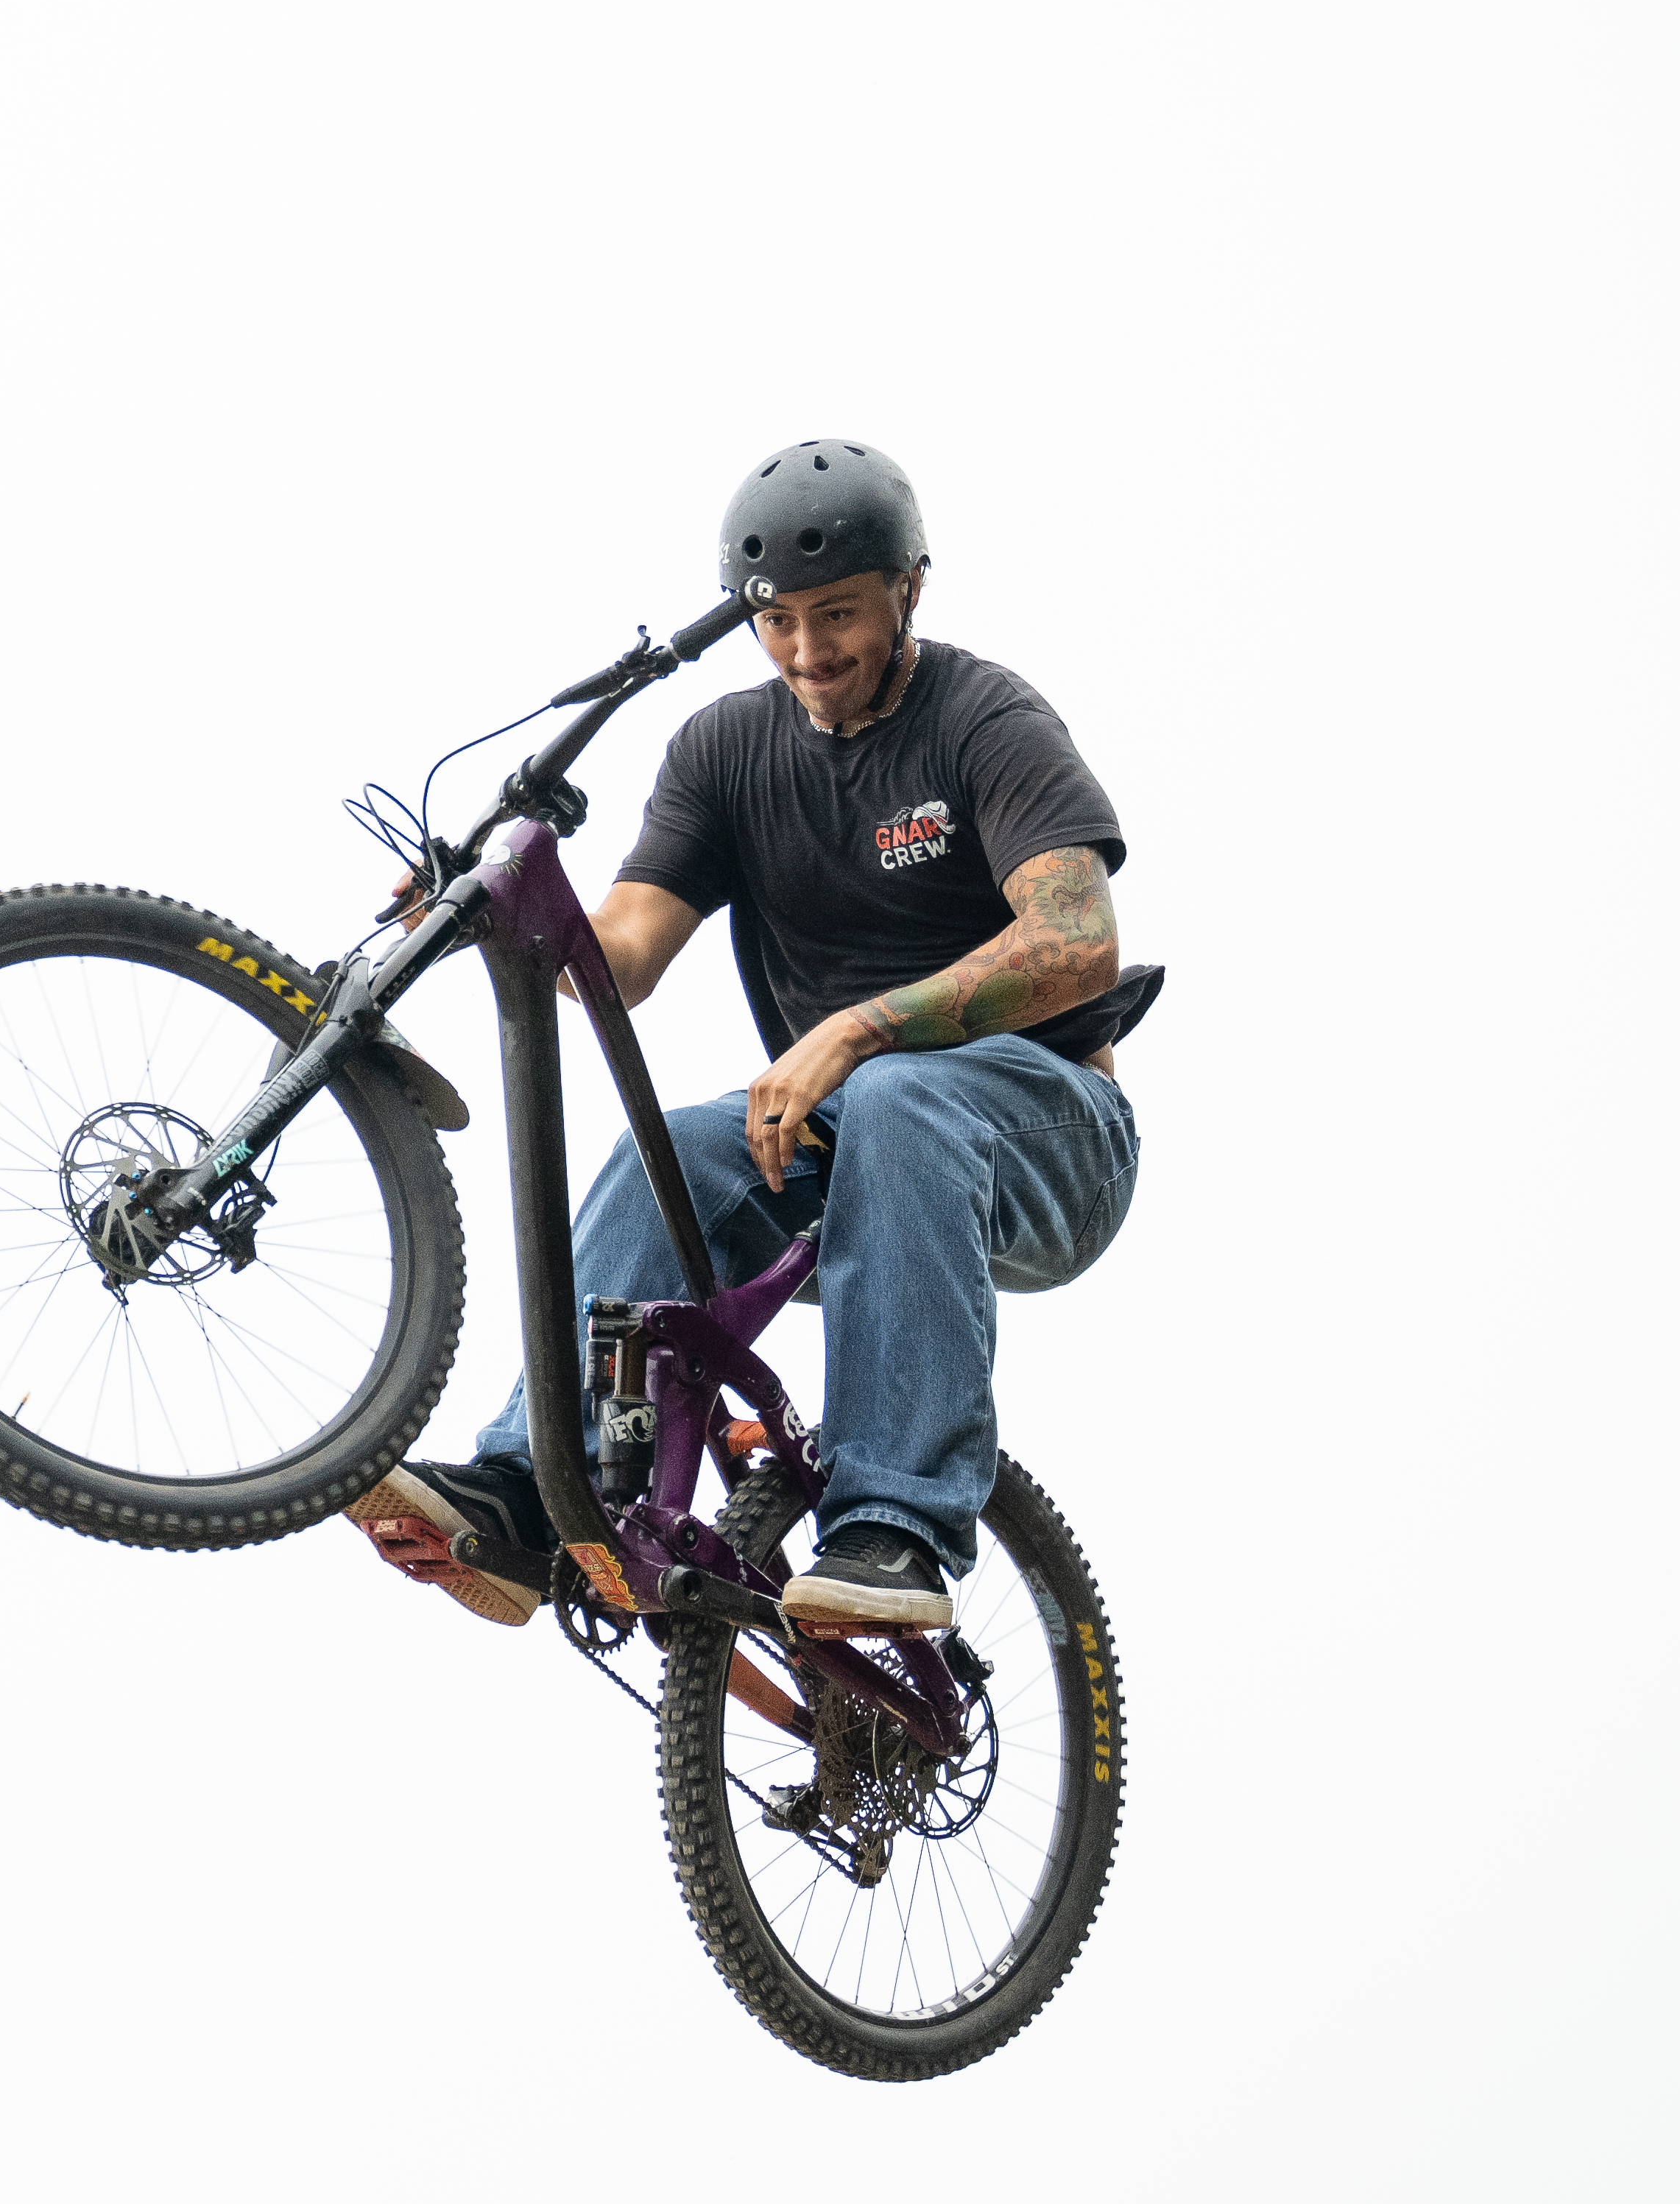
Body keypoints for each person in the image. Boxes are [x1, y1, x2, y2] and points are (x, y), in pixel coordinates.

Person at [363, 440, 1144, 1632]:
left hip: (1049, 1125)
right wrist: (499, 915)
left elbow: (1074, 940)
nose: (809, 652)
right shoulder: (725, 751)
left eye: (838, 616)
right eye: (777, 623)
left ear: (910, 590)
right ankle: (531, 1491)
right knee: (672, 1147)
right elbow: (622, 957)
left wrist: (860, 1031)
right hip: (840, 1140)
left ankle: (894, 1528)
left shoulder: (983, 716)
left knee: (896, 1096)